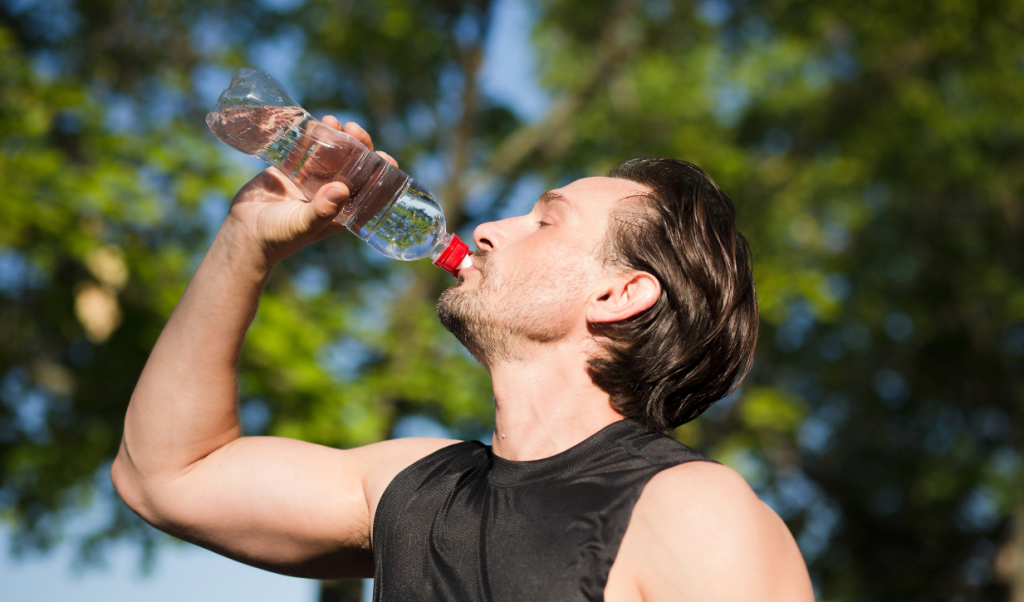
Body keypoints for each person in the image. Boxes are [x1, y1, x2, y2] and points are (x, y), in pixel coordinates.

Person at [112, 117, 814, 601]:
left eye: (546, 220)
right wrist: (245, 241)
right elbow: (164, 474)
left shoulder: (694, 510)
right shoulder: (413, 488)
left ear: (619, 292)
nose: (487, 230)